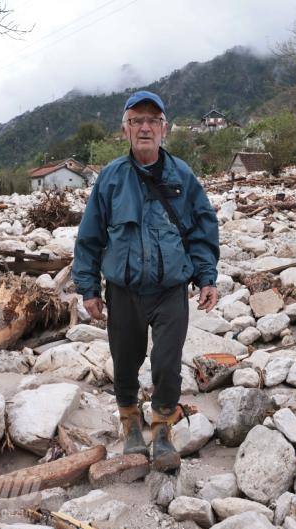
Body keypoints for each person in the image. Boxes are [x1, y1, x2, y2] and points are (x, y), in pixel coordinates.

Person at [72, 90, 220, 471]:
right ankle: (130, 423)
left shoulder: (182, 175)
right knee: (125, 361)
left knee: (167, 362)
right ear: (125, 130)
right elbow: (90, 237)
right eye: (136, 120)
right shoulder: (111, 179)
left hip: (171, 288)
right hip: (124, 291)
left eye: (152, 121)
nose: (144, 127)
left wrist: (206, 278)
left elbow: (203, 228)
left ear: (163, 129)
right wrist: (89, 288)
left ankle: (164, 427)